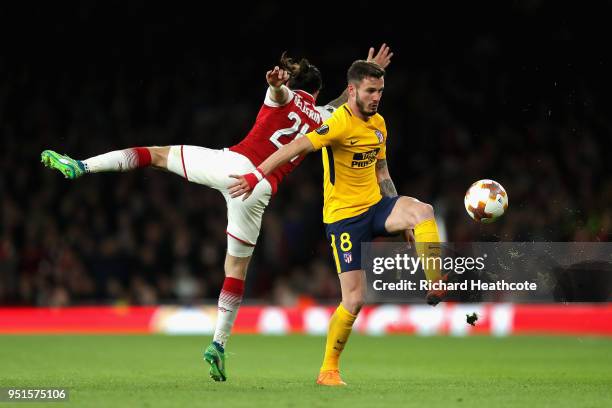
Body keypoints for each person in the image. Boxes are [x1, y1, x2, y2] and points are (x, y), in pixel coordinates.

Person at [40, 45, 393, 383]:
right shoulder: (325, 117)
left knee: (156, 155)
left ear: (296, 87)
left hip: (236, 165)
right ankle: (219, 344)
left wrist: (276, 87)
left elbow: (285, 96)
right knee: (236, 270)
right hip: (260, 191)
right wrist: (366, 66)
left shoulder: (285, 96)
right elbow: (343, 101)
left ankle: (82, 166)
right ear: (317, 94)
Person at [229, 59, 445, 386]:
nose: (376, 97)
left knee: (422, 211)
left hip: (375, 206)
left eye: (381, 91)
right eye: (370, 91)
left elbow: (382, 172)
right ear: (353, 91)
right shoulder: (337, 124)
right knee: (355, 300)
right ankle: (328, 370)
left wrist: (400, 219)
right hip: (344, 220)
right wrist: (257, 173)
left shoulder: (379, 125)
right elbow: (294, 147)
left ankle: (435, 281)